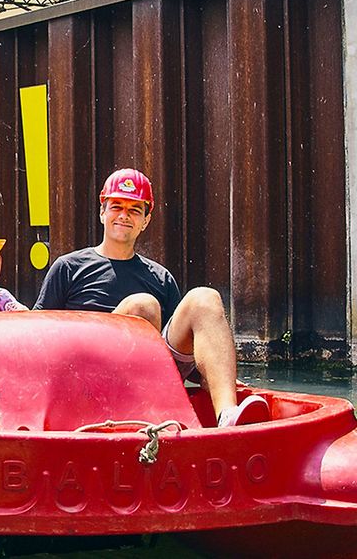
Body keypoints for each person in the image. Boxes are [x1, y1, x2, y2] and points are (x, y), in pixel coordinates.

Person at [33, 168, 270, 428]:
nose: (124, 215)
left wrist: (213, 375)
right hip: (87, 377)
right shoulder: (68, 267)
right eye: (116, 206)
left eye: (135, 210)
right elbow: (40, 338)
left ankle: (227, 415)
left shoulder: (160, 277)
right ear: (102, 212)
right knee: (142, 306)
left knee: (205, 297)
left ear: (145, 221)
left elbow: (179, 354)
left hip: (152, 378)